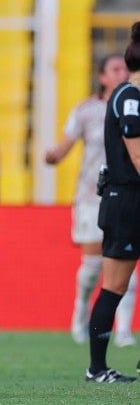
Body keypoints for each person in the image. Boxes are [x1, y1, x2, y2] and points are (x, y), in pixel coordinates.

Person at [45, 54, 136, 347]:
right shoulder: (86, 110)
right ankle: (81, 308)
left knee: (127, 265)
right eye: (115, 68)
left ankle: (123, 329)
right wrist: (53, 156)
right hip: (91, 195)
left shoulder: (134, 105)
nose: (122, 72)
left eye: (124, 67)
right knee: (94, 264)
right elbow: (65, 145)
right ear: (102, 77)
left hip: (128, 194)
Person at [84, 21, 140, 383]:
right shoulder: (129, 96)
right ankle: (98, 368)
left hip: (130, 198)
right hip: (126, 201)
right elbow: (137, 157)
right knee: (115, 285)